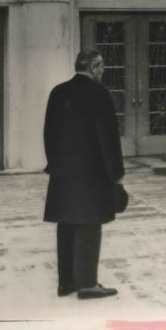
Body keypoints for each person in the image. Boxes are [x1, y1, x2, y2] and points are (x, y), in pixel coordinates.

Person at [43, 50, 125, 300]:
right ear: (93, 66)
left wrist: (55, 164)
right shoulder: (99, 94)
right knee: (90, 225)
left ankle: (66, 283)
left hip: (63, 172)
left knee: (66, 225)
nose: (103, 72)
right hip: (92, 172)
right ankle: (88, 284)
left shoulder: (58, 92)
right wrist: (116, 174)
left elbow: (49, 133)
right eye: (101, 67)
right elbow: (108, 137)